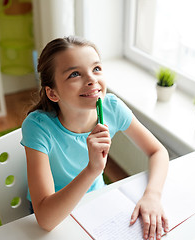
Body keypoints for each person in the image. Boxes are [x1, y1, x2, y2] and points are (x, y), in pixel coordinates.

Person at [20, 36, 169, 240]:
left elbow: (158, 151)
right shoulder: (37, 127)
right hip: (54, 210)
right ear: (53, 93)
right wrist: (93, 169)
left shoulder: (112, 108)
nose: (92, 79)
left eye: (96, 68)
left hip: (96, 199)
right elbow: (46, 220)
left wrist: (152, 195)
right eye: (74, 74)